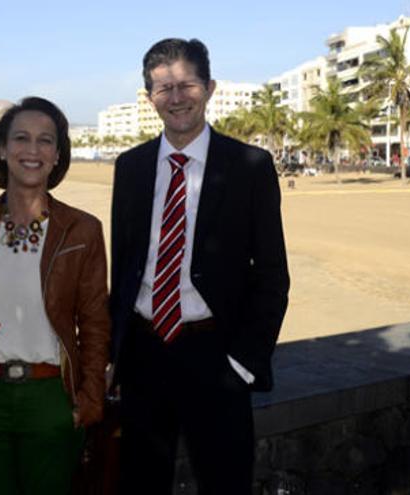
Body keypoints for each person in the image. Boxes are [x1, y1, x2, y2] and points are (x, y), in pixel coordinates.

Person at [109, 38, 289, 494]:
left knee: (225, 481)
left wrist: (243, 364)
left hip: (216, 355)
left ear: (209, 87)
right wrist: (115, 354)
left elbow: (272, 274)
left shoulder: (249, 165)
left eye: (186, 84)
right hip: (145, 354)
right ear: (149, 96)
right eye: (162, 88)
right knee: (140, 482)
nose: (176, 97)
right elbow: (125, 267)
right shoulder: (130, 168)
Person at [0, 96, 111, 495]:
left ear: (58, 155)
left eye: (46, 141)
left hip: (50, 397)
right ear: (3, 149)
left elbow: (95, 322)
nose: (32, 149)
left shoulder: (83, 230)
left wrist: (90, 398)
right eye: (21, 138)